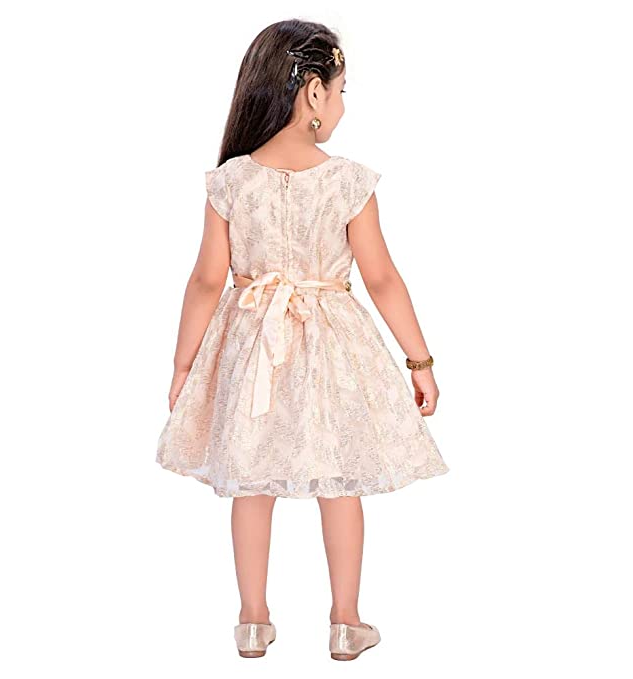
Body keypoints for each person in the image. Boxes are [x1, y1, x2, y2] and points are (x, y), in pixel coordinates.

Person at [156, 19, 450, 661]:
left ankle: (252, 620)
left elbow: (206, 281)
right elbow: (381, 277)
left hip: (250, 343)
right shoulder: (347, 181)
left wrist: (184, 365)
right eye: (342, 90)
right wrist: (419, 359)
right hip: (332, 347)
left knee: (251, 481)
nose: (342, 105)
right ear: (314, 92)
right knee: (338, 477)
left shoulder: (231, 180)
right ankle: (345, 621)